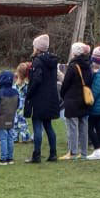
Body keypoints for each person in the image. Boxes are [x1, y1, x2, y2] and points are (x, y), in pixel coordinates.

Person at [25, 34, 60, 162]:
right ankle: (53, 153)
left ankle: (37, 154)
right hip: (50, 98)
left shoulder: (38, 61)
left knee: (37, 126)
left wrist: (29, 93)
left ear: (38, 48)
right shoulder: (52, 61)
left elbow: (37, 80)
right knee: (48, 126)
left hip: (39, 99)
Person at [60, 41, 94, 161]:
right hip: (85, 100)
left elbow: (65, 84)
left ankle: (73, 152)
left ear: (74, 52)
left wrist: (63, 95)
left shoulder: (73, 66)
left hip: (72, 100)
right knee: (84, 126)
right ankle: (84, 153)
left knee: (72, 128)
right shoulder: (88, 65)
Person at [0, 69, 21, 165]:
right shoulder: (15, 92)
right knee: (10, 138)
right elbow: (18, 104)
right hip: (11, 117)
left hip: (1, 118)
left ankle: (3, 159)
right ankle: (10, 158)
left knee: (3, 138)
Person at [11, 59, 33, 148]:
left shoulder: (25, 85)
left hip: (21, 106)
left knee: (21, 121)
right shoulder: (15, 85)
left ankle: (25, 137)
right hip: (15, 106)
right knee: (15, 121)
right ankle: (15, 137)